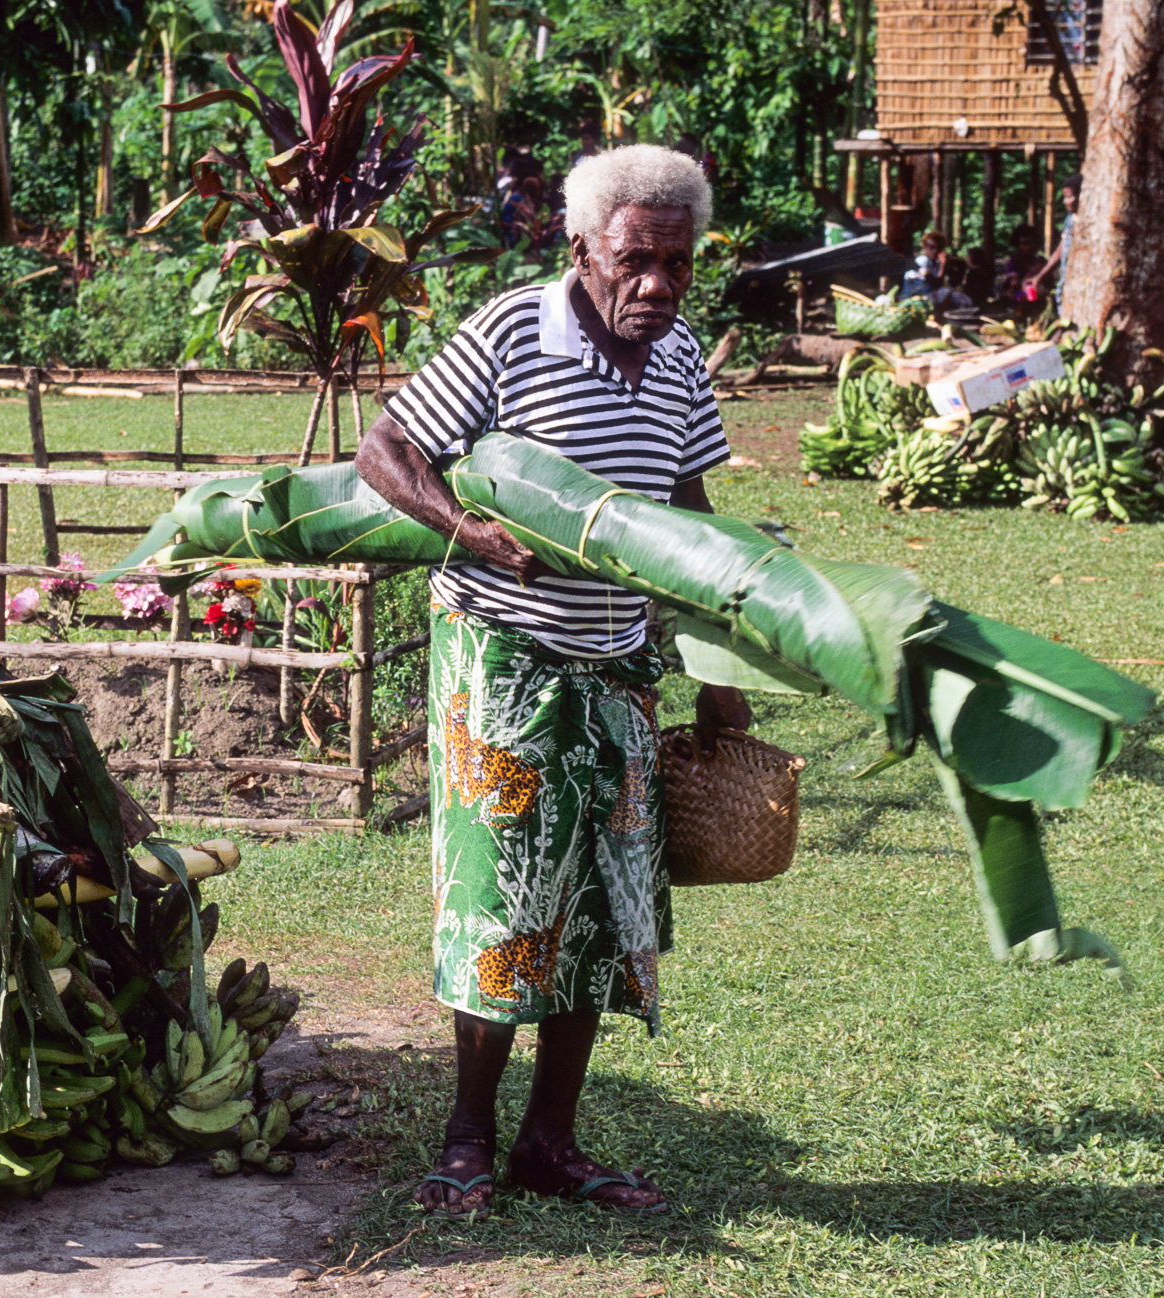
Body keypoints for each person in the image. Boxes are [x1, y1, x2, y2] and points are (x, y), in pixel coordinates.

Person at [352, 144, 750, 1217]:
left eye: (677, 261)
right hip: (507, 661)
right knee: (503, 901)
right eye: (635, 259)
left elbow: (688, 515)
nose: (657, 283)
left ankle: (551, 1141)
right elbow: (384, 449)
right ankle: (466, 1137)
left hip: (619, 666)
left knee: (601, 906)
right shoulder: (511, 331)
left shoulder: (677, 359)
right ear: (582, 248)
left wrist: (713, 669)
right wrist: (460, 526)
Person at [1028, 174, 1080, 314]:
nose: (1065, 202)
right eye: (1064, 197)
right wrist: (1041, 274)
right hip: (1067, 276)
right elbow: (1062, 247)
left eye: (1070, 197)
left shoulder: (1088, 220)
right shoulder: (1070, 219)